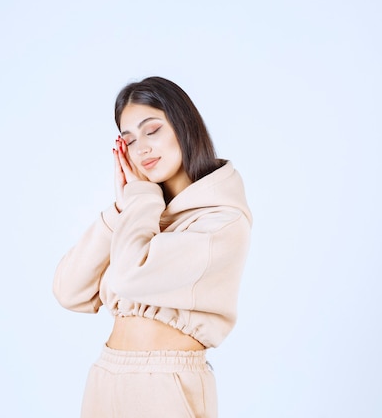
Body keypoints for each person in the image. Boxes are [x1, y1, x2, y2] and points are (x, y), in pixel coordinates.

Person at [53, 76, 252, 418]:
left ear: (184, 125)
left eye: (152, 130)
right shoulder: (142, 214)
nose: (140, 148)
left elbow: (131, 276)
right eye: (128, 140)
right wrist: (120, 211)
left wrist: (140, 198)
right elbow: (69, 292)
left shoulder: (222, 220)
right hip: (106, 379)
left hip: (166, 387)